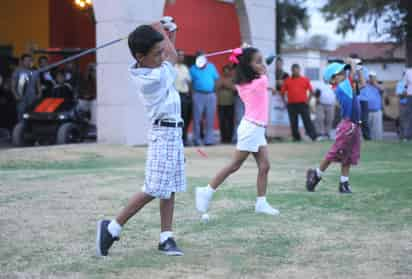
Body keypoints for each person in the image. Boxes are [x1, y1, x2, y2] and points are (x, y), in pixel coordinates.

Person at [96, 19, 186, 257]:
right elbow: (173, 57)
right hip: (163, 134)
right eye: (156, 54)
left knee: (169, 188)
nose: (161, 57)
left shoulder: (153, 67)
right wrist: (161, 30)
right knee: (154, 187)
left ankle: (166, 237)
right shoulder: (150, 79)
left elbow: (168, 54)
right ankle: (112, 227)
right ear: (140, 56)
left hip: (174, 132)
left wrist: (166, 33)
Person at [195, 47, 279, 217]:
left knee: (264, 166)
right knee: (234, 165)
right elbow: (264, 74)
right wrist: (261, 65)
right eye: (257, 61)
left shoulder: (243, 82)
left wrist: (248, 55)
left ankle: (261, 203)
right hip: (252, 129)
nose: (261, 64)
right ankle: (207, 190)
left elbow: (259, 70)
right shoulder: (259, 82)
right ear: (247, 66)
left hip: (255, 128)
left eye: (261, 60)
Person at [306, 60, 364, 194]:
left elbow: (362, 84)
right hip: (347, 125)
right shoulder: (342, 87)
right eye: (341, 72)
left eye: (344, 71)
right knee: (335, 153)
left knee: (348, 156)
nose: (344, 73)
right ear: (333, 79)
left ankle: (344, 183)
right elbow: (352, 77)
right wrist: (353, 65)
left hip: (354, 125)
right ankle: (316, 174)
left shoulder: (347, 86)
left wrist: (359, 69)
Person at [281, 64, 317, 141]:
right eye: (294, 70)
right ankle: (296, 137)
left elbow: (311, 91)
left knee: (307, 120)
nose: (296, 71)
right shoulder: (287, 80)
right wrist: (285, 102)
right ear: (292, 71)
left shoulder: (305, 79)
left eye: (297, 70)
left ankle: (313, 136)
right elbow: (282, 93)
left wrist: (308, 100)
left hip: (303, 104)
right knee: (293, 122)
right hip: (291, 105)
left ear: (299, 70)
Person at [190, 51, 219, 146]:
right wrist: (193, 94)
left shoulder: (211, 66)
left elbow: (216, 79)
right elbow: (190, 83)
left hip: (210, 95)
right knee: (197, 119)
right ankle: (196, 139)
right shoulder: (193, 68)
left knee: (210, 118)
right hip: (198, 95)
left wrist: (215, 92)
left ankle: (209, 140)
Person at [174, 49, 192, 145]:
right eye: (179, 55)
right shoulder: (173, 67)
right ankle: (178, 139)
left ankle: (184, 138)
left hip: (185, 95)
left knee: (186, 118)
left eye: (183, 55)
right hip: (176, 95)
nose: (182, 57)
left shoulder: (185, 68)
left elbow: (189, 81)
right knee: (178, 118)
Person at [11, 54, 34, 121]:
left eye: (29, 60)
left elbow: (36, 84)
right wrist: (16, 95)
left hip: (32, 98)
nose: (28, 62)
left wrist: (39, 93)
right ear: (22, 61)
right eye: (26, 60)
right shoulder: (17, 71)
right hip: (21, 98)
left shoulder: (33, 71)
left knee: (32, 116)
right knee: (21, 116)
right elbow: (13, 86)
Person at [216, 64, 236, 143]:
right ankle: (223, 138)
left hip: (230, 103)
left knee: (230, 121)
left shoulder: (233, 80)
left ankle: (229, 138)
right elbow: (216, 87)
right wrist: (225, 84)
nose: (226, 73)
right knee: (222, 122)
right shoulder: (219, 79)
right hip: (221, 103)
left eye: (228, 71)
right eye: (225, 72)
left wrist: (226, 85)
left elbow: (235, 89)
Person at [365, 71, 384, 140]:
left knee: (377, 130)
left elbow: (382, 89)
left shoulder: (379, 85)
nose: (371, 78)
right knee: (367, 129)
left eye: (373, 77)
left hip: (376, 111)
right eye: (370, 77)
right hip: (366, 111)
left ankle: (378, 143)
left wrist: (374, 83)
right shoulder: (364, 85)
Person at [396, 71, 410, 141]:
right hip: (404, 104)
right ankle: (403, 137)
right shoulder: (401, 83)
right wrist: (406, 90)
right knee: (403, 120)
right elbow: (399, 95)